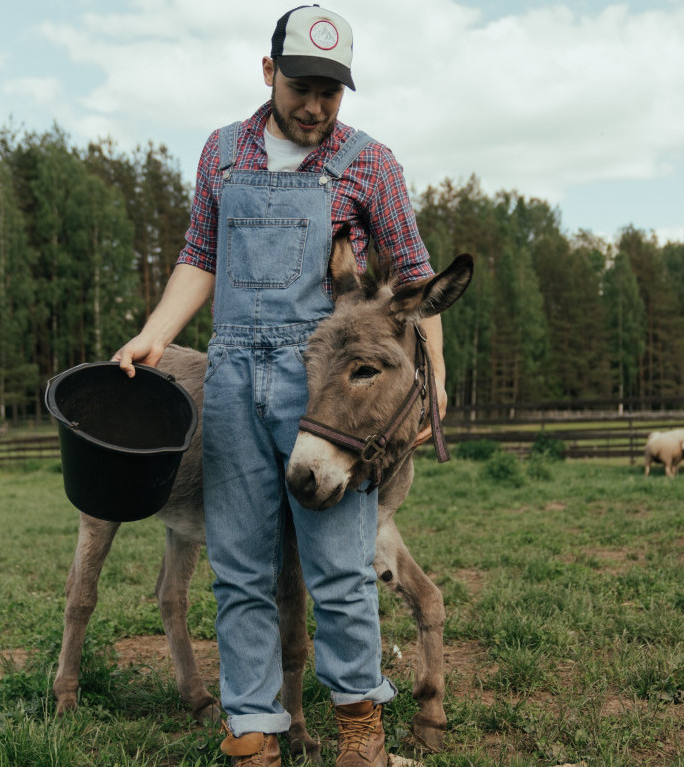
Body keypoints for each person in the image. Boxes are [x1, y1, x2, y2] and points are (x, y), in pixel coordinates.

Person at [112, 6, 445, 767]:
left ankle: (361, 736)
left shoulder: (371, 163)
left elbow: (418, 286)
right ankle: (254, 734)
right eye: (303, 86)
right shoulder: (222, 153)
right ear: (269, 74)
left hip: (324, 387)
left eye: (333, 91)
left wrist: (435, 384)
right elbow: (200, 254)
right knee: (241, 567)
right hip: (231, 381)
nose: (317, 106)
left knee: (339, 567)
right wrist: (156, 333)